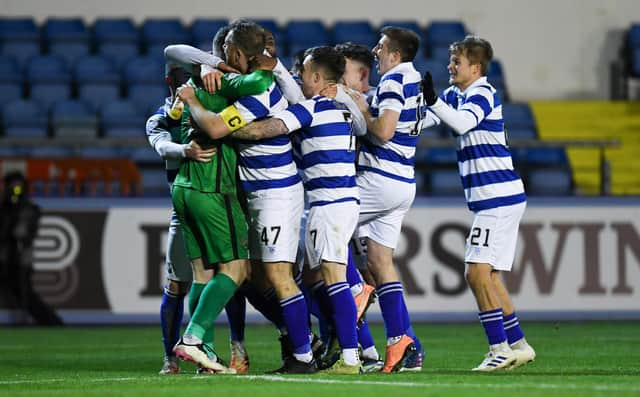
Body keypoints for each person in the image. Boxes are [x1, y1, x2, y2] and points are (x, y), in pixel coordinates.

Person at [232, 46, 364, 374]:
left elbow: (271, 128)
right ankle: (330, 353)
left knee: (334, 279)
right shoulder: (342, 108)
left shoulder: (312, 108)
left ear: (317, 78)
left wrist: (225, 130)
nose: (298, 78)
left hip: (329, 205)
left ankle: (349, 358)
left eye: (303, 73)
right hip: (341, 201)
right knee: (320, 278)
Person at [421, 35, 536, 371]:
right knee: (491, 276)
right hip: (498, 197)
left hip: (496, 198)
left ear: (476, 67)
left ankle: (498, 347)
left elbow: (461, 123)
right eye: (451, 60)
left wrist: (433, 101)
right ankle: (518, 344)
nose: (450, 66)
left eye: (456, 62)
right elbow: (431, 120)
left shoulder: (483, 93)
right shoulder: (459, 94)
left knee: (475, 273)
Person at [170, 21, 277, 374]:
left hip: (184, 188)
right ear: (234, 54)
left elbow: (173, 52)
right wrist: (264, 64)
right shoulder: (228, 81)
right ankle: (193, 338)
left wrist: (202, 69)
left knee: (202, 275)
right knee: (237, 268)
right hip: (212, 189)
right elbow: (261, 81)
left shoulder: (195, 80)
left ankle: (205, 355)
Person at [347, 26, 425, 373]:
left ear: (394, 54)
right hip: (402, 182)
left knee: (318, 228)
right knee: (380, 261)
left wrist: (363, 111)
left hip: (379, 179)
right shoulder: (414, 81)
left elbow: (383, 131)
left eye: (380, 48)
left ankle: (355, 291)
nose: (375, 53)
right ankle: (404, 345)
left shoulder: (394, 79)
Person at [145, 66, 217, 375]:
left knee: (229, 278)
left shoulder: (207, 112)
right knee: (177, 283)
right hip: (185, 209)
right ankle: (169, 357)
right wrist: (184, 151)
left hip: (218, 203)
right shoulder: (160, 118)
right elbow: (161, 146)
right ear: (170, 83)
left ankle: (232, 348)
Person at [0, 172, 63, 326]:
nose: (15, 190)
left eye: (18, 186)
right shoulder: (5, 208)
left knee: (25, 295)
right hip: (5, 257)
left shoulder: (27, 209)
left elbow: (20, 233)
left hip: (19, 259)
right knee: (23, 295)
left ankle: (53, 323)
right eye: (12, 186)